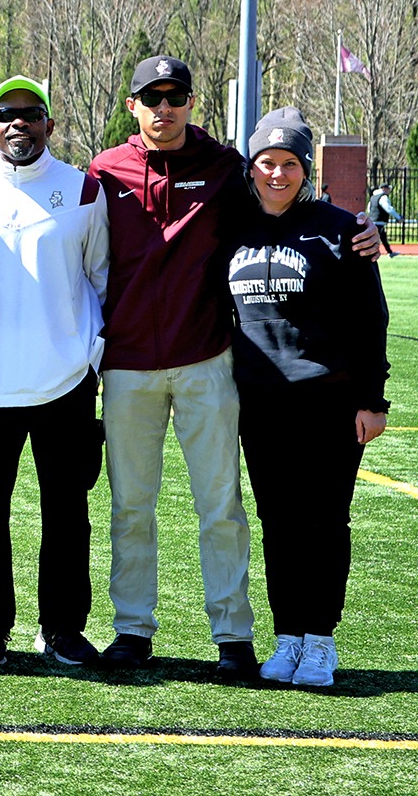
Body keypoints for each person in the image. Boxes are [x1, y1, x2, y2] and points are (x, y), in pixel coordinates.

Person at [90, 56, 381, 674]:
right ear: (132, 105)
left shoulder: (224, 168)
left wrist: (361, 230)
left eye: (176, 96)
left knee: (221, 505)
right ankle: (132, 629)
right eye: (152, 96)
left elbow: (300, 217)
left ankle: (235, 636)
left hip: (208, 360)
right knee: (131, 506)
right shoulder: (104, 171)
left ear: (192, 103)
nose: (164, 107)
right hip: (129, 363)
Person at [0, 76, 108, 666]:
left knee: (68, 513)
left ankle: (62, 628)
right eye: (6, 114)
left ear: (50, 125)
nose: (19, 123)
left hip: (64, 381)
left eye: (31, 114)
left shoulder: (85, 190)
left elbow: (101, 276)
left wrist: (93, 353)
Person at [231, 107, 389, 687]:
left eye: (290, 163)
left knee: (326, 521)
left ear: (305, 168)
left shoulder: (342, 228)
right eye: (267, 163)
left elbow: (370, 318)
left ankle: (321, 640)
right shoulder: (232, 225)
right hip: (261, 404)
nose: (277, 174)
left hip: (329, 400)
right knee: (278, 522)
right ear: (251, 167)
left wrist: (373, 401)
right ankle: (288, 636)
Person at [369, 185, 401, 256]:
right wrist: (398, 217)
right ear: (384, 189)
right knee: (377, 239)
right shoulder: (383, 197)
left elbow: (369, 208)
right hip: (379, 221)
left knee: (382, 237)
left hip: (372, 221)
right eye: (388, 189)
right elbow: (388, 208)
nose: (389, 190)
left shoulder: (373, 197)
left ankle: (390, 252)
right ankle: (372, 254)